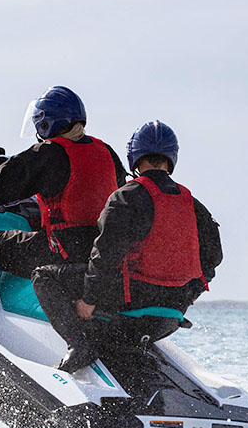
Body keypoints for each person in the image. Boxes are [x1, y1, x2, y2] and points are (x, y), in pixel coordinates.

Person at [32, 120, 223, 372]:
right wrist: (189, 294)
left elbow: (104, 256)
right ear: (171, 157)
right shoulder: (194, 205)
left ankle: (78, 344)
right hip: (170, 317)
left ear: (134, 156)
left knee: (44, 276)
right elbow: (214, 257)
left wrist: (89, 300)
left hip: (125, 310)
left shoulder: (125, 196)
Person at [0, 86, 128, 322]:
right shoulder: (107, 152)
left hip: (62, 253)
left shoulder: (50, 152)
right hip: (99, 256)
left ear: (47, 124)